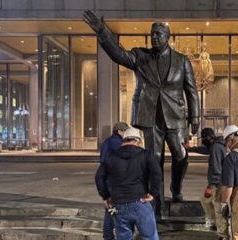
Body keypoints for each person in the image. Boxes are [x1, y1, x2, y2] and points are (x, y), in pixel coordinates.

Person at [83, 10, 200, 215]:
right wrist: (102, 32)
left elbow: (191, 89)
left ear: (167, 37)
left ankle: (176, 189)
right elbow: (118, 54)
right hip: (150, 115)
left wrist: (195, 116)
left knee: (181, 155)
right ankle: (158, 198)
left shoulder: (182, 60)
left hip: (175, 116)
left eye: (159, 34)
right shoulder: (140, 56)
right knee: (154, 158)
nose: (154, 37)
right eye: (152, 33)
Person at [95, 127, 162, 240]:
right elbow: (157, 174)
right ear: (137, 141)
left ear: (124, 140)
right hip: (140, 202)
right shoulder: (146, 154)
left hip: (119, 204)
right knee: (150, 237)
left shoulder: (111, 156)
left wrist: (106, 196)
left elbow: (99, 177)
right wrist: (152, 193)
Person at [196, 128, 229, 240]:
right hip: (222, 182)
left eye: (204, 138)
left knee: (218, 209)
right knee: (205, 200)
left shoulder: (215, 148)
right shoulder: (218, 145)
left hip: (217, 183)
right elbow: (203, 150)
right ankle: (213, 224)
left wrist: (211, 185)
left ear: (209, 138)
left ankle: (222, 234)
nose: (203, 141)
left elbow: (216, 168)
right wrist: (189, 148)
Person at [99, 121, 129, 240]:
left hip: (107, 179)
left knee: (110, 208)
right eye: (125, 132)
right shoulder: (118, 143)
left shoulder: (106, 142)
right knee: (113, 210)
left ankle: (108, 235)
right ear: (120, 131)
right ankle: (109, 235)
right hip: (115, 180)